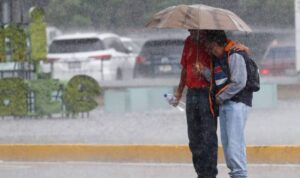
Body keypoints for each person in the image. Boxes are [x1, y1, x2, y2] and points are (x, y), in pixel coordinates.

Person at [205, 30, 253, 178]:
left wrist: (219, 98)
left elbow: (239, 82)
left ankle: (239, 175)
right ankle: (236, 174)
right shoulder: (219, 58)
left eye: (212, 48)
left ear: (219, 43)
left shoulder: (235, 54)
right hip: (226, 104)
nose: (211, 51)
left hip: (236, 104)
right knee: (228, 147)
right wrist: (203, 72)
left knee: (234, 146)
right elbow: (219, 80)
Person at [174, 29, 218, 178]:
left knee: (208, 136)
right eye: (188, 28)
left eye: (192, 28)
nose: (189, 31)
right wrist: (180, 91)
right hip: (192, 94)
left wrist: (205, 71)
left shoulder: (211, 41)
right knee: (194, 138)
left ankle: (210, 173)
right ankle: (200, 173)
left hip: (206, 93)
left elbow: (220, 69)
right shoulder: (188, 41)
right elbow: (185, 69)